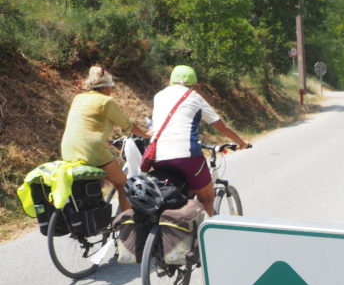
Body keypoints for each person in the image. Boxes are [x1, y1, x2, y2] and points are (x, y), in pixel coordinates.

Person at [150, 65, 250, 216]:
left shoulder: (158, 96)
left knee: (181, 191)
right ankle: (205, 237)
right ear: (193, 84)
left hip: (157, 156)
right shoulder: (194, 97)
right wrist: (241, 142)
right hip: (186, 156)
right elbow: (221, 126)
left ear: (170, 80)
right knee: (208, 197)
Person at [61, 65, 150, 212]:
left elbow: (85, 125)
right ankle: (126, 222)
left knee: (97, 182)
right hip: (91, 150)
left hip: (68, 149)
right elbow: (127, 125)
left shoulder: (78, 98)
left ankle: (95, 215)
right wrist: (148, 135)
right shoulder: (106, 101)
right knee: (124, 185)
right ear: (108, 88)